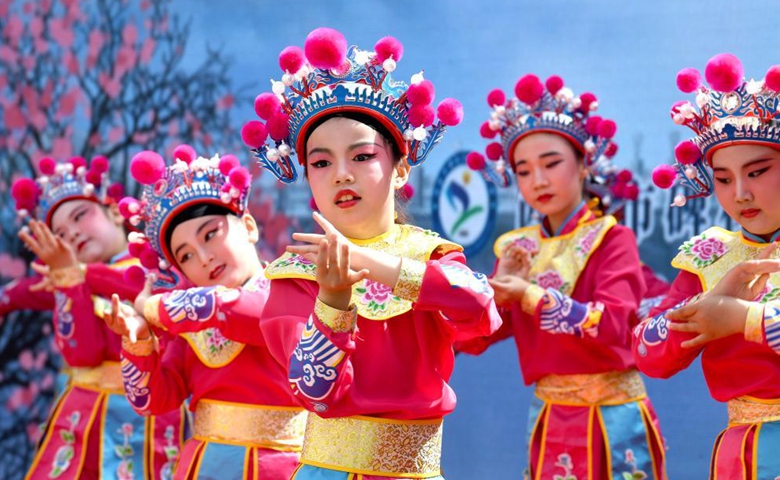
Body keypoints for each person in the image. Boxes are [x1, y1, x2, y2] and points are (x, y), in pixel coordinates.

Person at [243, 28, 501, 479]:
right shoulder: (295, 273)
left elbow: (480, 308)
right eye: (321, 163)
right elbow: (313, 391)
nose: (341, 174)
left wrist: (368, 263)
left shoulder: (430, 254)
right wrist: (333, 304)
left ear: (400, 168)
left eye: (361, 156)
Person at [459, 74, 667, 480]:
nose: (538, 180)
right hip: (552, 419)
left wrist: (529, 295)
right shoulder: (518, 249)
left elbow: (609, 325)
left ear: (583, 162)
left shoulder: (613, 239)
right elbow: (473, 339)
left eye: (551, 163)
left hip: (615, 421)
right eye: (523, 170)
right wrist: (499, 296)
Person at [107, 145, 305, 479]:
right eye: (185, 256)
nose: (203, 257)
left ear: (249, 226)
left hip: (283, 467)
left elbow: (242, 311)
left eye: (210, 234)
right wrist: (139, 343)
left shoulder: (290, 289)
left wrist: (153, 306)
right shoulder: (190, 324)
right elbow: (154, 401)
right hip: (205, 467)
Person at [636, 53, 780, 477]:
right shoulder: (710, 255)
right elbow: (647, 353)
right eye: (723, 178)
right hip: (740, 452)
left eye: (757, 172)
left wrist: (745, 319)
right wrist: (707, 304)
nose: (740, 194)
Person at [12, 155, 185, 480]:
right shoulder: (69, 279)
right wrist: (69, 280)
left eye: (80, 215)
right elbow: (83, 353)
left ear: (113, 211)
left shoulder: (159, 266)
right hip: (82, 420)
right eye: (59, 234)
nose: (72, 234)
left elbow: (138, 289)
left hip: (150, 417)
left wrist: (76, 273)